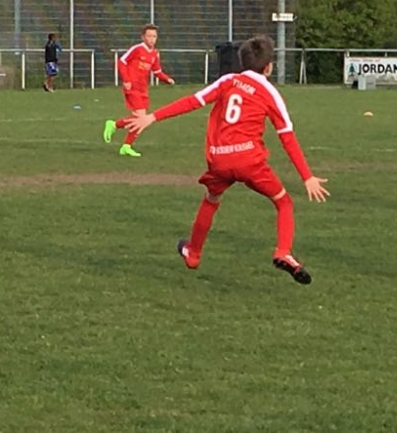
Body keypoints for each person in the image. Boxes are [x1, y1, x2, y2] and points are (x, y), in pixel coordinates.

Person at [122, 35, 329, 284]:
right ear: (269, 67)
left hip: (220, 159)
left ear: (242, 62)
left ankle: (193, 253)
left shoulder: (229, 81)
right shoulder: (270, 93)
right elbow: (287, 136)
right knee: (283, 202)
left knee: (211, 199)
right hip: (249, 160)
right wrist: (306, 176)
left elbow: (193, 101)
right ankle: (283, 252)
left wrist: (152, 117)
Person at [102, 24, 175, 157]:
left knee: (139, 119)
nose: (151, 39)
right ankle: (118, 132)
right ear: (143, 37)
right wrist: (126, 80)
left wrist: (167, 79)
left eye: (154, 36)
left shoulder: (155, 53)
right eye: (149, 36)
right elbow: (122, 62)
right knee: (141, 117)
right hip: (132, 87)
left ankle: (123, 142)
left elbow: (157, 71)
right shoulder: (137, 49)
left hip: (143, 89)